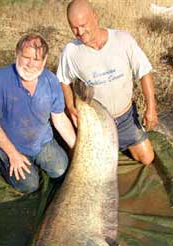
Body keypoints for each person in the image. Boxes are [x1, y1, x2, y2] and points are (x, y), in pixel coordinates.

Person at [57, 0, 158, 165]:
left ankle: (120, 141)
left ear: (95, 17)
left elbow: (144, 72)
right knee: (84, 164)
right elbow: (63, 80)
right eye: (74, 27)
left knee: (147, 158)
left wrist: (151, 108)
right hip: (96, 122)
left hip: (125, 117)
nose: (80, 32)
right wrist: (70, 107)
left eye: (83, 25)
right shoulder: (71, 52)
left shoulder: (122, 39)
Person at [0, 33, 76, 193]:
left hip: (42, 142)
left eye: (36, 59)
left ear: (44, 61)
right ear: (16, 54)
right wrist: (13, 155)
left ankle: (35, 162)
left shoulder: (51, 81)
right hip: (12, 146)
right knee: (29, 186)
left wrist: (77, 149)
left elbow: (60, 119)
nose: (30, 64)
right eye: (26, 57)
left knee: (61, 170)